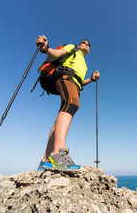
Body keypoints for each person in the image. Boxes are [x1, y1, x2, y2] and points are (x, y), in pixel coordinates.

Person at [35, 35, 100, 171]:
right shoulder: (73, 48)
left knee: (62, 114)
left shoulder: (83, 63)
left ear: (89, 50)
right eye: (84, 42)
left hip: (74, 84)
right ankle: (58, 154)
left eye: (88, 44)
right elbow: (57, 53)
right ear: (79, 44)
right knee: (71, 104)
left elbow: (80, 81)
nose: (86, 44)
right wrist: (45, 48)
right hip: (66, 78)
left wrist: (91, 80)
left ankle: (45, 161)